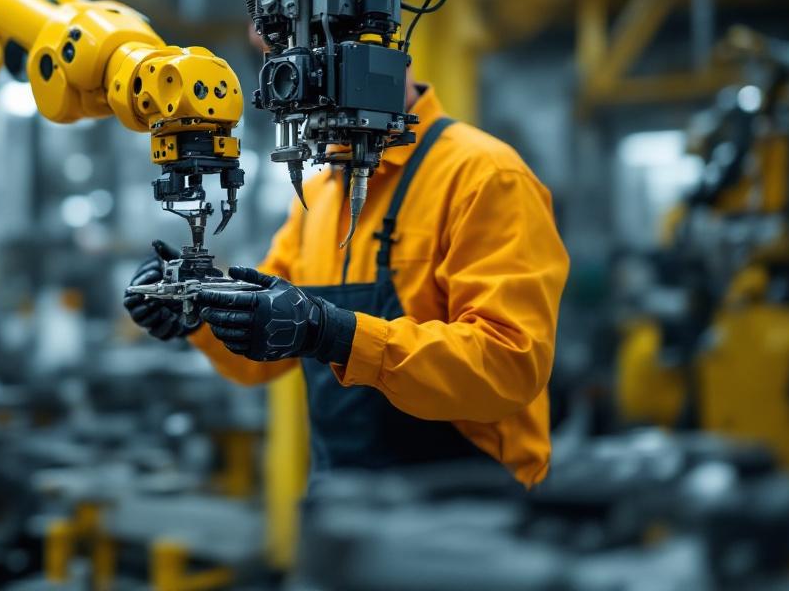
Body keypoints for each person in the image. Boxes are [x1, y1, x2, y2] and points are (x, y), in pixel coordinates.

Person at [124, 73, 568, 487]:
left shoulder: (485, 175)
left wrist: (335, 334)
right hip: (346, 501)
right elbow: (266, 353)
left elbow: (509, 367)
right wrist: (200, 314)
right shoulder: (318, 196)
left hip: (474, 506)